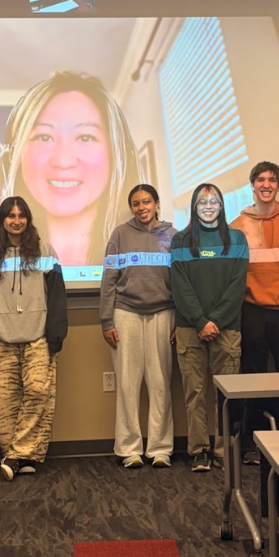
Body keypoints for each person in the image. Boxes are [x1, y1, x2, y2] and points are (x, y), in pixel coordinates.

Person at [0, 71, 143, 268]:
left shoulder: (147, 252)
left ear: (116, 153)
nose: (63, 161)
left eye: (85, 138)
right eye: (44, 138)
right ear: (16, 157)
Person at [231, 162, 279, 464]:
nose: (266, 184)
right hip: (252, 311)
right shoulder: (237, 226)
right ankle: (253, 443)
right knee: (252, 377)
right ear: (252, 185)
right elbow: (234, 273)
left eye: (272, 180)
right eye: (260, 179)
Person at [0, 196, 68, 481]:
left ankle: (16, 455)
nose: (16, 220)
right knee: (4, 401)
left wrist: (55, 336)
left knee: (37, 392)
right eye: (11, 216)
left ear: (28, 219)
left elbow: (58, 296)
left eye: (21, 215)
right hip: (1, 338)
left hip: (38, 337)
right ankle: (22, 457)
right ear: (2, 220)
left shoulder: (45, 250)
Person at [170, 183, 249, 472]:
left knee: (225, 395)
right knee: (194, 393)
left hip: (227, 329)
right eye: (202, 201)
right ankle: (199, 451)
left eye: (214, 200)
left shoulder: (237, 239)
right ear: (194, 206)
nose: (208, 205)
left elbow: (237, 287)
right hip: (190, 329)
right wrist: (201, 321)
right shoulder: (181, 241)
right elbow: (180, 288)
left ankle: (222, 450)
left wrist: (215, 321)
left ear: (221, 205)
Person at [99, 184, 177, 469]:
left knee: (160, 383)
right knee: (128, 384)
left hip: (164, 313)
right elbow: (109, 279)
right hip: (125, 313)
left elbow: (180, 282)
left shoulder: (173, 236)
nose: (141, 207)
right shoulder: (120, 234)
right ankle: (129, 448)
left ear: (157, 203)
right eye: (136, 203)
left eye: (146, 202)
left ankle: (160, 448)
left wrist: (179, 321)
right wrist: (106, 320)